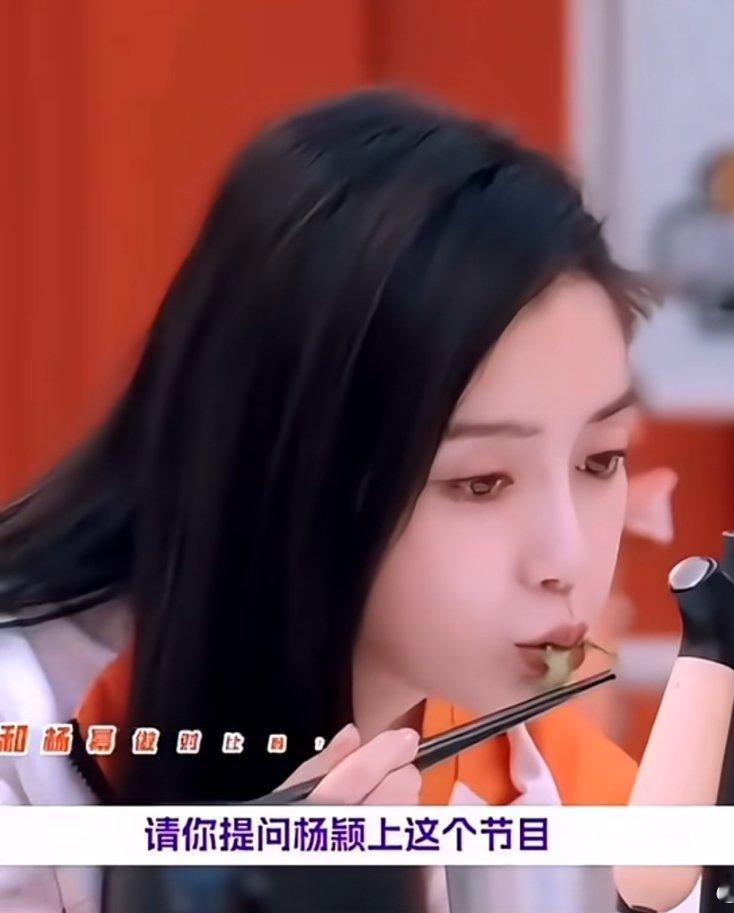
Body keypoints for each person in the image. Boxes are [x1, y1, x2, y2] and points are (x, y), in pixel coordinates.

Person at [0, 88, 656, 912]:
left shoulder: (533, 758)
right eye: (480, 482)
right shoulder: (27, 723)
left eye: (600, 460)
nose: (568, 558)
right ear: (291, 459)